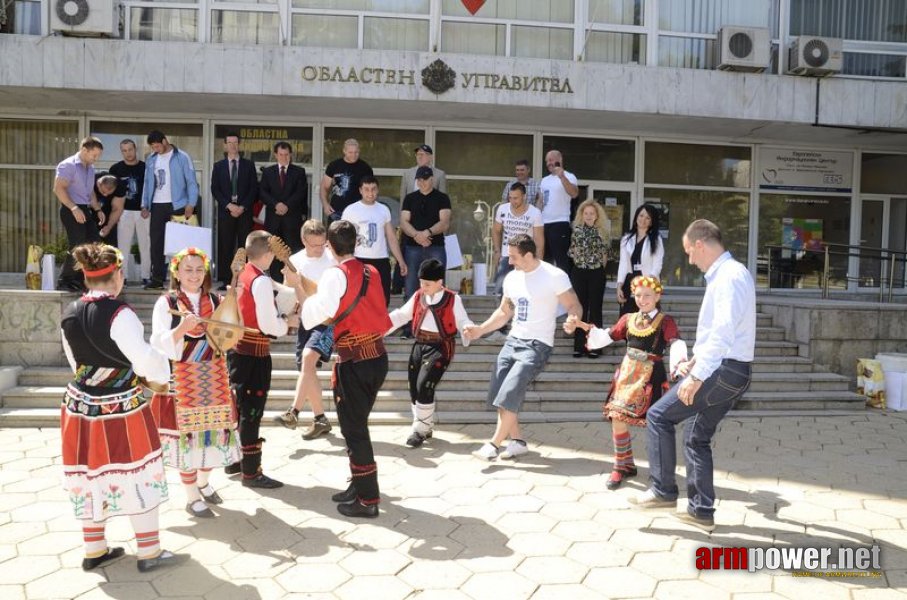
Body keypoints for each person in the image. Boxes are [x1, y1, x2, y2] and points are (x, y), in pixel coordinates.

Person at [629, 219, 755, 534]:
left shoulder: (728, 277)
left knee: (659, 416)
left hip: (722, 370)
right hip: (728, 369)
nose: (689, 260)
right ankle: (701, 511)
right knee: (697, 437)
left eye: (689, 252)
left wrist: (697, 375)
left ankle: (662, 491)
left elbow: (724, 333)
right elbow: (721, 332)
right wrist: (695, 361)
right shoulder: (729, 275)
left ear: (700, 244)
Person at [60, 243, 178, 573]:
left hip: (80, 407)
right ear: (118, 277)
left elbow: (75, 364)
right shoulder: (119, 313)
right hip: (120, 408)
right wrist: (161, 373)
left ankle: (94, 548)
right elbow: (142, 360)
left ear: (85, 278)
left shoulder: (69, 312)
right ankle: (149, 551)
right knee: (137, 470)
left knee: (89, 474)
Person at [293, 220, 391, 518]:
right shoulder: (371, 270)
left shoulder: (335, 273)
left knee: (354, 429)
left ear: (330, 247)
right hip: (377, 355)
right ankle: (359, 484)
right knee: (356, 426)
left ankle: (368, 499)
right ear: (355, 243)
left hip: (355, 361)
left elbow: (316, 314)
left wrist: (298, 288)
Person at [464, 234, 581, 460]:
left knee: (510, 391)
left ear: (529, 255)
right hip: (513, 341)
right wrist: (480, 330)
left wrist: (572, 320)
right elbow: (504, 312)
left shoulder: (554, 276)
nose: (510, 262)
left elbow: (573, 305)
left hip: (538, 345)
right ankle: (517, 441)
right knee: (501, 392)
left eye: (514, 257)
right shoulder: (512, 279)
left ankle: (494, 444)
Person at [565, 276, 685, 490]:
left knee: (655, 424)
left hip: (651, 377)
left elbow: (675, 342)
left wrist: (681, 363)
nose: (642, 299)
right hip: (628, 374)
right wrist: (581, 325)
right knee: (617, 417)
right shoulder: (628, 318)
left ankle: (659, 473)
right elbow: (607, 335)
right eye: (638, 295)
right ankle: (622, 465)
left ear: (658, 296)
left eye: (647, 295)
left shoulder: (666, 321)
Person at [149, 247, 241, 518]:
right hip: (182, 377)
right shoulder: (166, 303)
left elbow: (229, 335)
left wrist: (229, 322)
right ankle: (191, 496)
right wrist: (181, 330)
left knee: (214, 435)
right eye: (188, 270)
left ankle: (203, 482)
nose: (194, 275)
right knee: (187, 439)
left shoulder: (215, 300)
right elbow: (157, 342)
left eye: (199, 270)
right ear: (176, 272)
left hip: (213, 377)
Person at [226, 231, 299, 489]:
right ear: (269, 254)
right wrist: (287, 323)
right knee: (251, 412)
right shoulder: (261, 281)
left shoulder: (244, 273)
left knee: (240, 408)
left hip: (237, 350)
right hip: (255, 353)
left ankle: (236, 459)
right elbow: (268, 323)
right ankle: (251, 471)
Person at [387, 259, 474, 448]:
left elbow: (463, 320)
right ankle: (424, 426)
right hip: (419, 345)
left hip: (441, 346)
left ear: (439, 282)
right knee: (413, 387)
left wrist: (467, 328)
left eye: (427, 283)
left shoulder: (452, 299)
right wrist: (379, 327)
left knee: (424, 384)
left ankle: (419, 430)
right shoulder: (419, 296)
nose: (422, 287)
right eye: (421, 282)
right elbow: (402, 315)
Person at [274, 220, 337, 440]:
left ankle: (294, 412)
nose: (319, 249)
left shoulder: (333, 258)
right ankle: (320, 419)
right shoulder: (295, 260)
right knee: (306, 368)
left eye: (322, 244)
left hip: (329, 321)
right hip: (305, 321)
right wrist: (287, 312)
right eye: (314, 245)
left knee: (308, 359)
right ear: (303, 241)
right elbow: (288, 293)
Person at [141, 130, 199, 290]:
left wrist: (191, 203)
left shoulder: (181, 157)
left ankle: (181, 280)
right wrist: (145, 204)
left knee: (180, 244)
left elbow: (191, 181)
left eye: (157, 145)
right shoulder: (151, 159)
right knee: (156, 243)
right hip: (157, 205)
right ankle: (157, 279)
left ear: (165, 141)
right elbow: (147, 182)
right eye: (153, 147)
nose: (155, 149)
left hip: (178, 204)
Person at [342, 175, 408, 306]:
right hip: (358, 259)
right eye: (366, 189)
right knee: (359, 301)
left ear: (378, 190)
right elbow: (342, 236)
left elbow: (391, 237)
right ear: (360, 190)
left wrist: (400, 261)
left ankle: (381, 327)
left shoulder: (383, 209)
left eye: (373, 189)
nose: (370, 193)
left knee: (382, 300)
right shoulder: (350, 210)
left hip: (381, 260)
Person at [54, 136, 106, 292]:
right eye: (94, 155)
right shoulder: (68, 165)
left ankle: (81, 279)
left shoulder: (90, 168)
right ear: (84, 150)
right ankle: (65, 279)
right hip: (71, 209)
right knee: (78, 245)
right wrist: (73, 208)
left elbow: (90, 193)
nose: (96, 159)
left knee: (94, 243)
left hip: (85, 209)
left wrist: (97, 209)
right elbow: (58, 189)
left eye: (98, 156)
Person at [211, 132, 257, 290]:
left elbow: (253, 189)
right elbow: (215, 189)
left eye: (235, 142)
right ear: (225, 145)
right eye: (229, 142)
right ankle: (225, 279)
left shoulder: (249, 165)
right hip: (226, 212)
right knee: (226, 245)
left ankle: (244, 278)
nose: (233, 145)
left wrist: (242, 207)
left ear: (239, 144)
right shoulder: (218, 166)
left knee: (244, 246)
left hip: (244, 212)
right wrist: (229, 206)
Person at [400, 166, 452, 302]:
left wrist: (427, 232)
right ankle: (411, 321)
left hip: (436, 247)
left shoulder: (442, 198)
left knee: (438, 286)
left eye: (425, 179)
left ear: (432, 179)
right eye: (419, 179)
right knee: (411, 287)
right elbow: (404, 222)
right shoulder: (409, 198)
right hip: (412, 247)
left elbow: (445, 222)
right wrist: (417, 236)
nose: (422, 182)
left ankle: (437, 319)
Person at [567, 199, 610, 358]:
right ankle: (579, 346)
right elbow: (572, 252)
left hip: (596, 273)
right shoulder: (576, 231)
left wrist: (598, 269)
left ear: (597, 215)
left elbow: (605, 254)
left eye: (592, 213)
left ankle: (595, 347)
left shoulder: (602, 232)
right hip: (579, 272)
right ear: (582, 215)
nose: (589, 216)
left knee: (595, 310)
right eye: (586, 213)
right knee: (580, 309)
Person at [260, 141, 308, 280]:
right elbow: (263, 193)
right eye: (281, 154)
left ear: (290, 155)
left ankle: (291, 280)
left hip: (292, 220)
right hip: (273, 219)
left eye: (287, 155)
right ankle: (275, 281)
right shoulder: (268, 172)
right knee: (273, 251)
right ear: (276, 155)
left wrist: (287, 205)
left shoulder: (299, 172)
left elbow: (301, 192)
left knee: (292, 251)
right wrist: (276, 205)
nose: (284, 157)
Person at [109, 139, 150, 285]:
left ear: (135, 149)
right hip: (123, 211)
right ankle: (122, 277)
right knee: (122, 246)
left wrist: (148, 206)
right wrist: (114, 213)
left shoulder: (146, 167)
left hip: (143, 211)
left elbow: (151, 189)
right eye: (124, 150)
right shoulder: (115, 169)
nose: (128, 153)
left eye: (130, 149)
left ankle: (146, 276)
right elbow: (110, 193)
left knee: (146, 245)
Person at [492, 182, 544, 293]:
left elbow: (539, 241)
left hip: (526, 256)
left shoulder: (535, 213)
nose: (512, 201)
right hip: (507, 256)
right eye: (510, 198)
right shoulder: (502, 209)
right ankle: (504, 310)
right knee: (501, 289)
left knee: (524, 290)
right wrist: (497, 251)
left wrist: (538, 263)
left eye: (516, 198)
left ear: (524, 196)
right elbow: (496, 231)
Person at [616, 204, 664, 315]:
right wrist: (619, 285)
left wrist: (648, 283)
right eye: (641, 215)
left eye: (648, 218)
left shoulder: (656, 239)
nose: (643, 220)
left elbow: (657, 264)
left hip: (647, 282)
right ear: (636, 217)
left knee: (647, 321)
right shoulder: (626, 239)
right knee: (627, 318)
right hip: (630, 282)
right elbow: (623, 264)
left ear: (652, 222)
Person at [538, 150, 578, 272]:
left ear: (559, 160)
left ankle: (564, 289)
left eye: (550, 160)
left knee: (562, 261)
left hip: (560, 223)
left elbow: (574, 193)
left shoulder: (569, 176)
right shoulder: (544, 180)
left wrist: (562, 176)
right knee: (544, 260)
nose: (548, 163)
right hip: (544, 224)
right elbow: (541, 201)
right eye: (546, 161)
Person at [320, 138, 373, 220]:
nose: (354, 155)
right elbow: (324, 187)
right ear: (344, 151)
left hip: (358, 212)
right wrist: (325, 205)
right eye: (350, 152)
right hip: (336, 211)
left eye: (356, 152)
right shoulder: (334, 165)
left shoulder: (365, 168)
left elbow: (371, 189)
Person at [94, 174, 125, 248]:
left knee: (111, 244)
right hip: (91, 212)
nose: (105, 195)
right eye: (103, 192)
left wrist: (108, 226)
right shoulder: (91, 180)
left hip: (109, 213)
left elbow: (117, 209)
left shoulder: (120, 186)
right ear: (98, 184)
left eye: (109, 193)